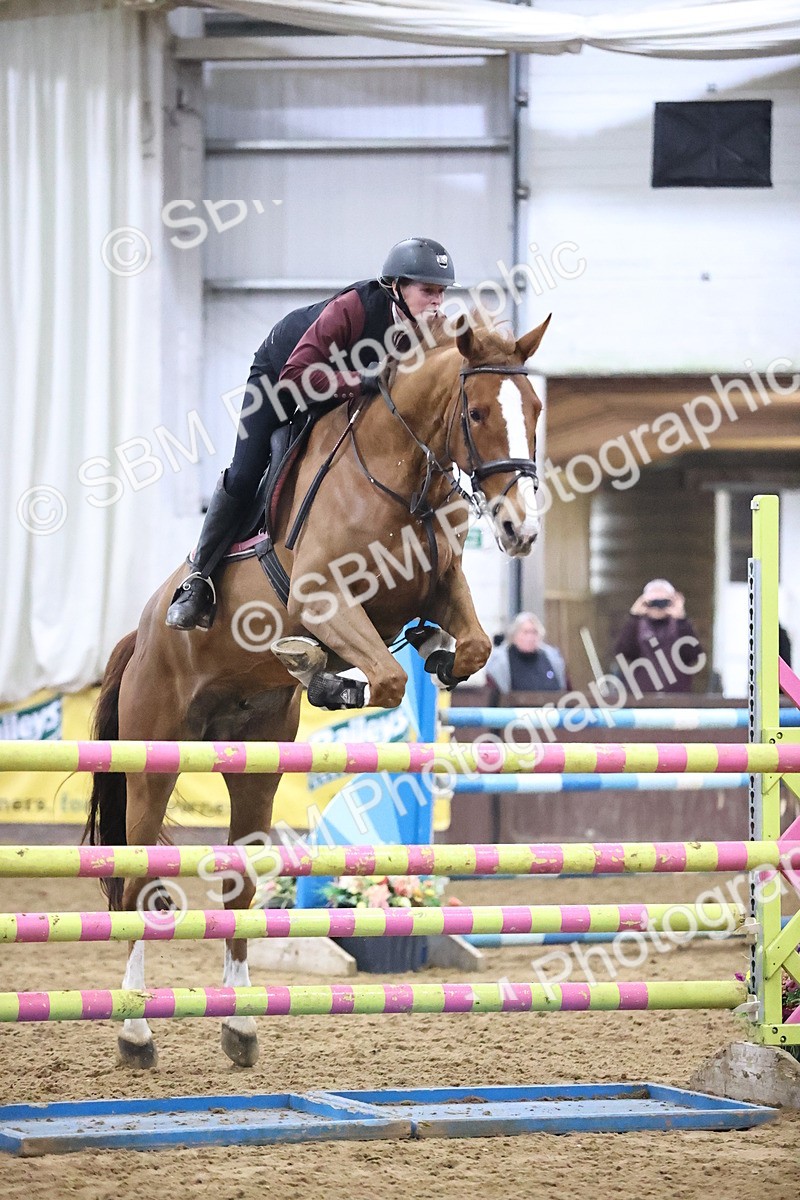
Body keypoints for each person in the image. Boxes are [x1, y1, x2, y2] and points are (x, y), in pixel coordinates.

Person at [166, 236, 456, 631]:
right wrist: (360, 378)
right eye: (427, 291)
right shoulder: (352, 308)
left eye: (441, 292)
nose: (437, 302)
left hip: (338, 393)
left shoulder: (430, 332)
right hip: (280, 377)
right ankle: (198, 578)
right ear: (395, 287)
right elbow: (296, 376)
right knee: (248, 469)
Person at [613, 578, 704, 694]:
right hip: (642, 698)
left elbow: (692, 655)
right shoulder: (636, 626)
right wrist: (634, 617)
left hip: (677, 698)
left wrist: (681, 619)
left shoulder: (681, 626)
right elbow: (624, 652)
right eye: (653, 602)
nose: (657, 607)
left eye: (663, 602)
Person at [485, 613, 568, 693]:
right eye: (526, 632)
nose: (530, 637)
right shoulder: (500, 662)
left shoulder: (553, 659)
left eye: (534, 632)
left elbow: (565, 690)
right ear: (514, 635)